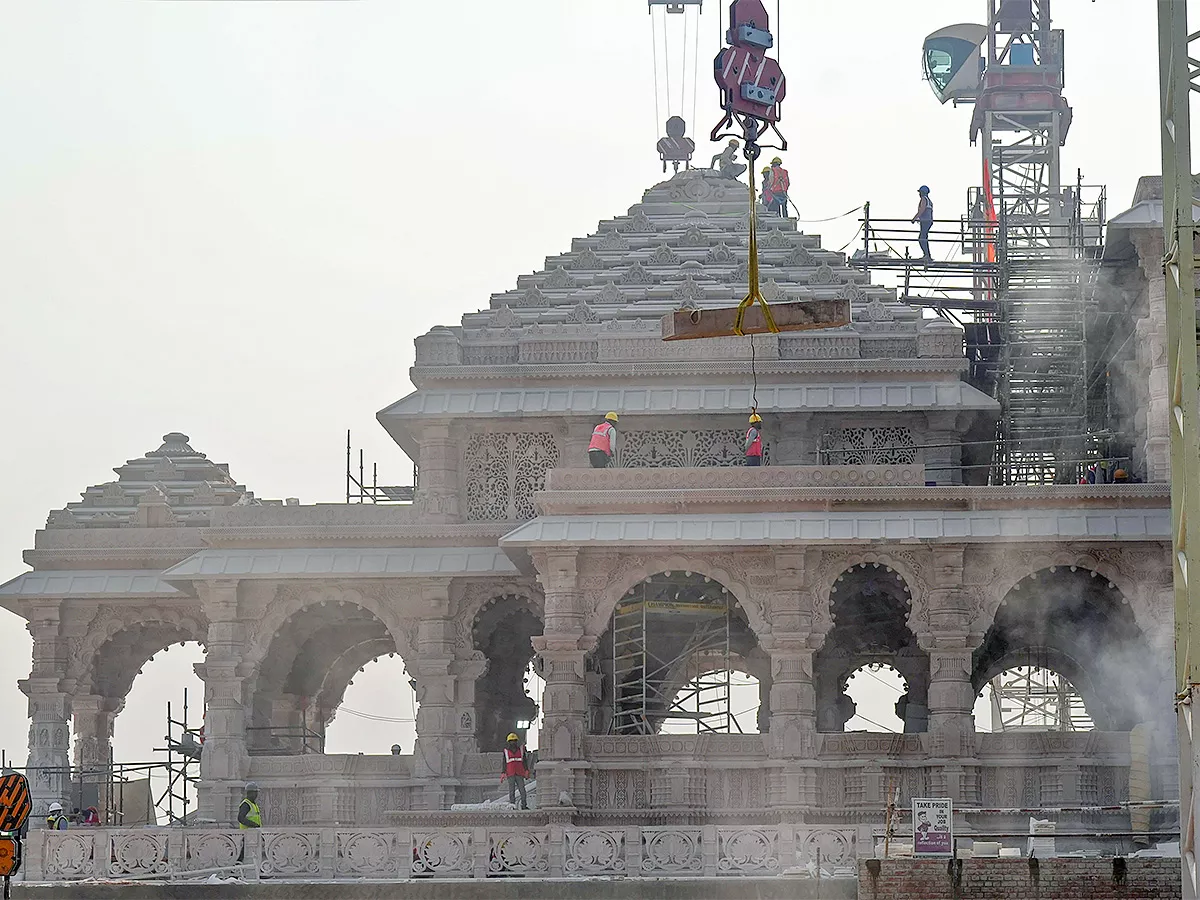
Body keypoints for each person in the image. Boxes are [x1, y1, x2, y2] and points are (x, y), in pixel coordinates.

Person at [500, 733, 530, 810]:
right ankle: (512, 806)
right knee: (511, 791)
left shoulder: (521, 750)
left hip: (519, 773)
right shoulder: (506, 751)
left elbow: (524, 761)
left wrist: (526, 770)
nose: (513, 742)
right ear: (509, 742)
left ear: (516, 741)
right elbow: (504, 762)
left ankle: (524, 805)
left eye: (514, 741)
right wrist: (503, 772)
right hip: (510, 773)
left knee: (522, 791)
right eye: (511, 741)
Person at [911, 186, 934, 262]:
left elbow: (922, 210)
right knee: (924, 238)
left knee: (921, 238)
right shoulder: (929, 200)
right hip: (928, 221)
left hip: (925, 221)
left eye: (920, 192)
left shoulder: (924, 199)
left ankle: (926, 255)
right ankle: (927, 255)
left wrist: (914, 218)